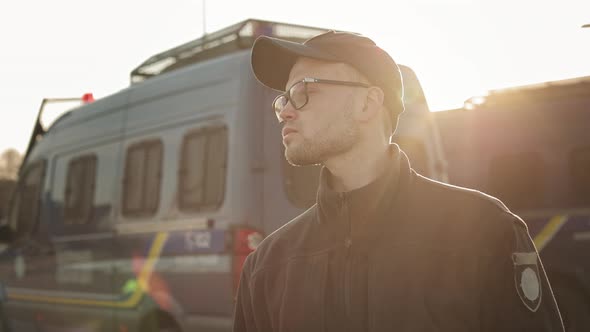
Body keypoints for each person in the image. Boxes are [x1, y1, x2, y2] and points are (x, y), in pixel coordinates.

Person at [233, 30, 564, 332]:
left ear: (368, 102)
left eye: (303, 91)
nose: (286, 111)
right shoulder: (268, 266)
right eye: (283, 99)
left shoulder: (485, 230)